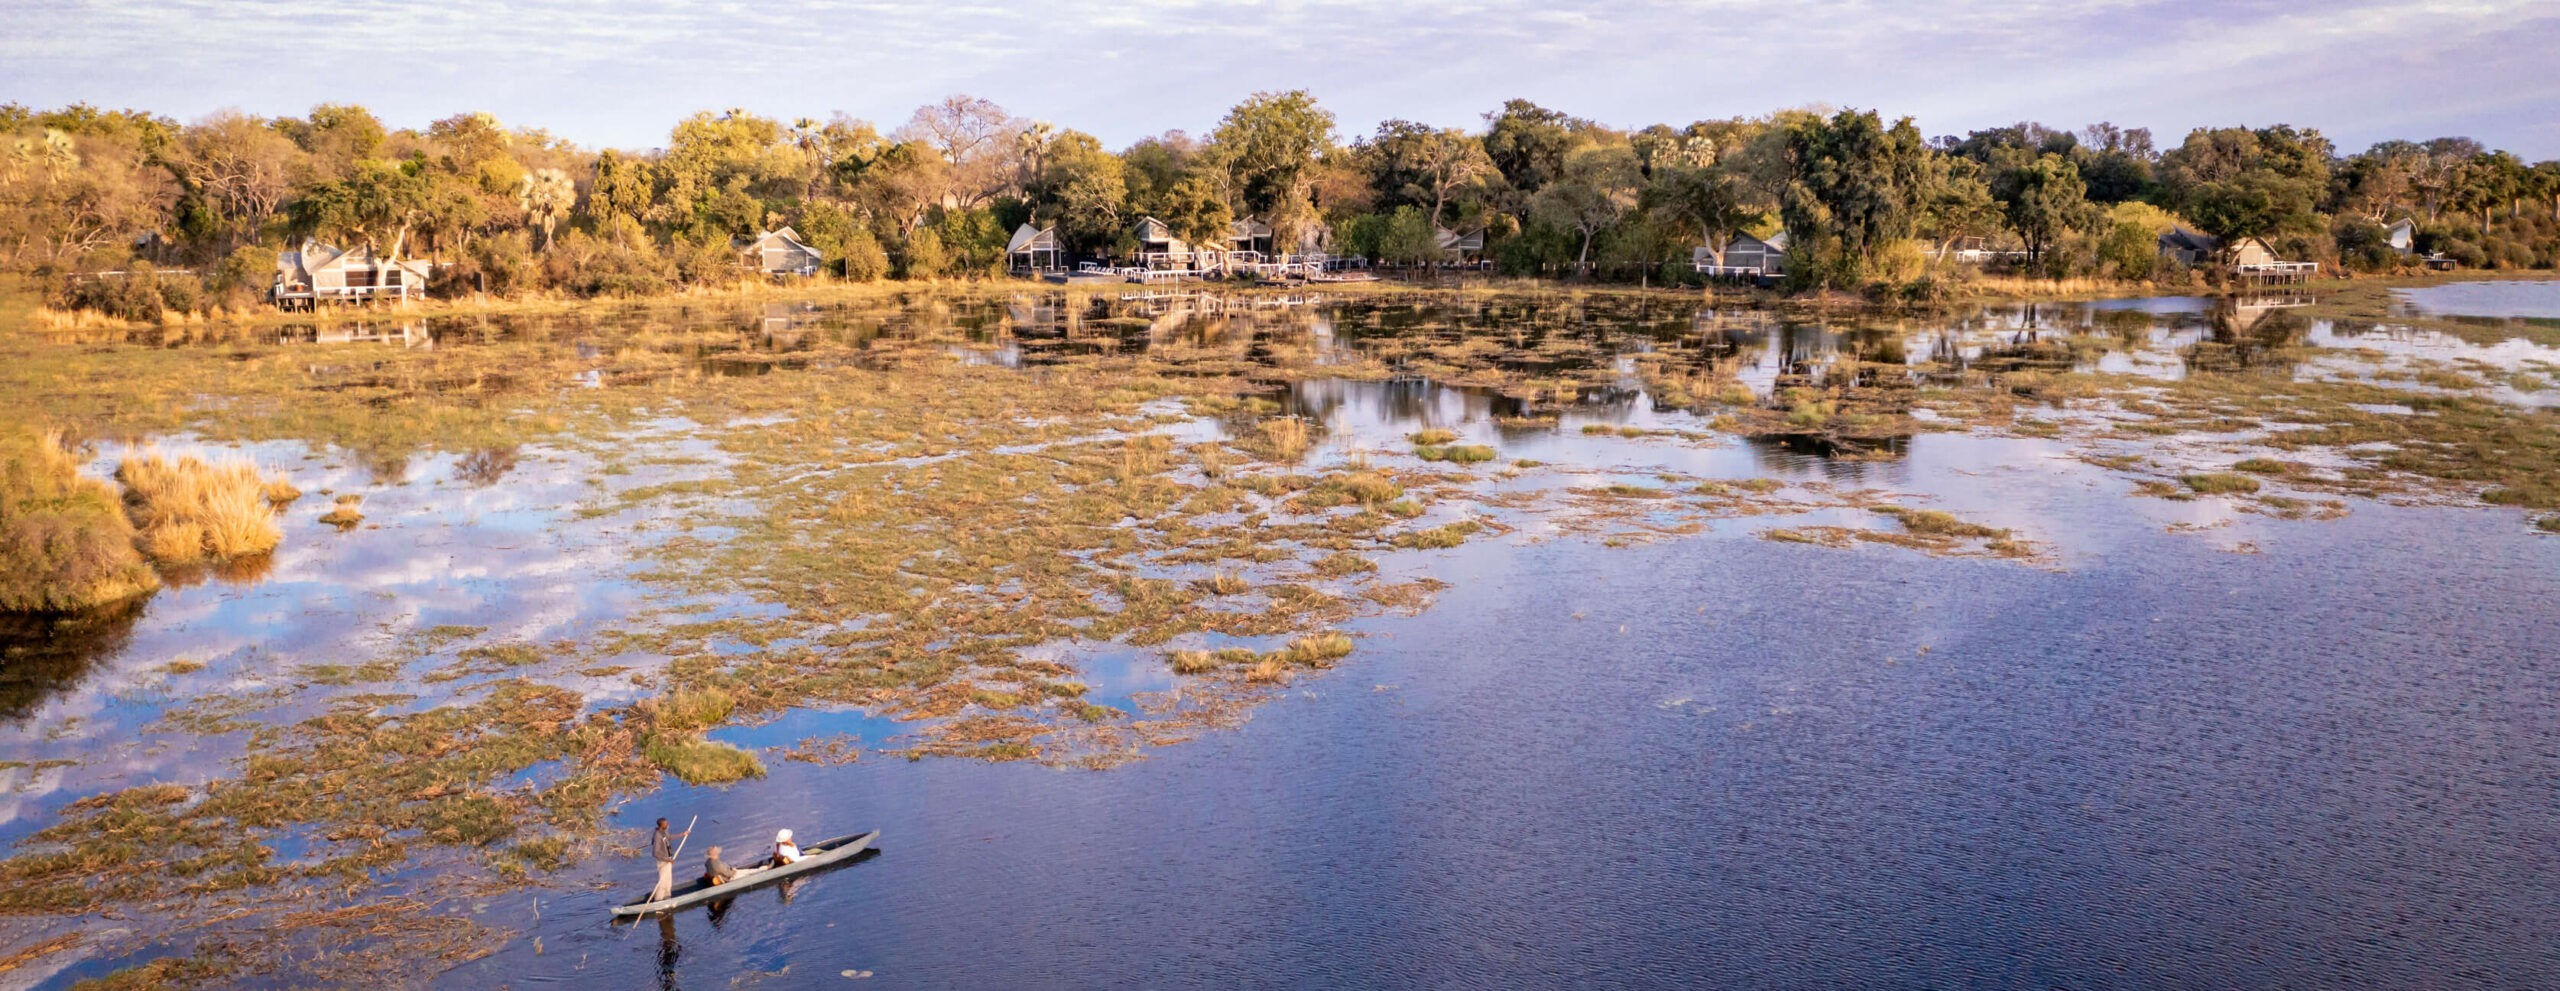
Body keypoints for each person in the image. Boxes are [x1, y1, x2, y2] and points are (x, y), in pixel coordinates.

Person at [648, 817, 690, 902]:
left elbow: (669, 837)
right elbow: (655, 853)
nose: (668, 825)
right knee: (662, 882)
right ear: (661, 825)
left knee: (668, 881)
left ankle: (667, 897)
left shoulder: (664, 832)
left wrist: (682, 834)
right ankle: (658, 900)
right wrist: (667, 859)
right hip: (663, 862)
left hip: (668, 860)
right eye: (666, 824)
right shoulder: (657, 836)